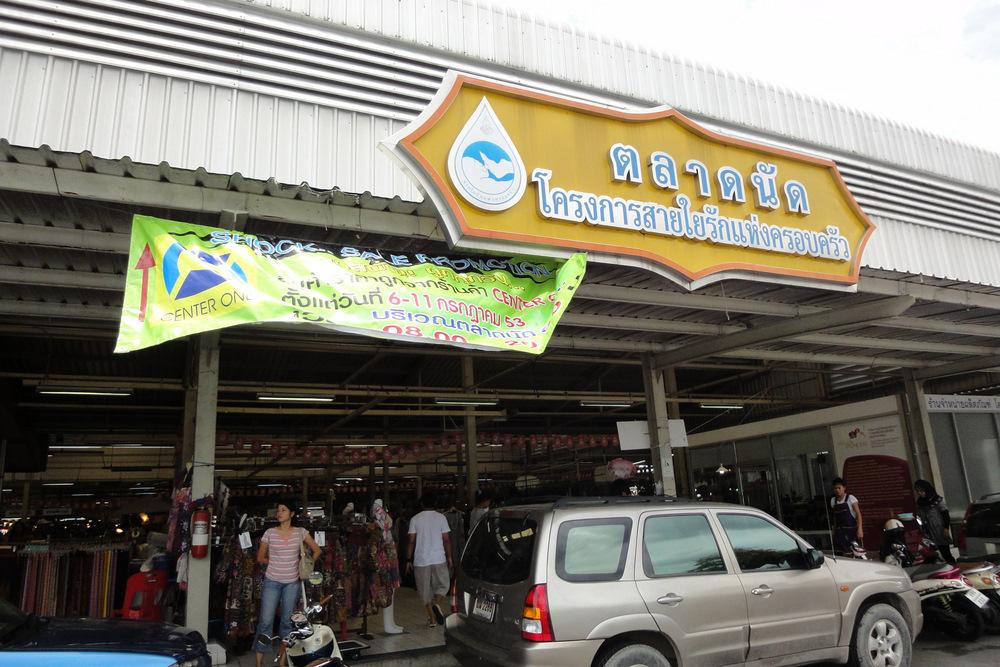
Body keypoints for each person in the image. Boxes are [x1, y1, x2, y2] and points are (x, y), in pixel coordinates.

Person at [253, 500, 322, 667]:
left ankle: (282, 661)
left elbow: (317, 550)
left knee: (286, 623)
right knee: (266, 622)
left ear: (291, 514)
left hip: (292, 583)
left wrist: (306, 565)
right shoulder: (270, 532)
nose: (279, 513)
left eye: (283, 510)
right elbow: (260, 557)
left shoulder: (300, 532)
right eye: (278, 510)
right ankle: (259, 663)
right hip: (272, 581)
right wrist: (276, 562)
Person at [406, 493, 452, 628]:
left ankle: (432, 620)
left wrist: (408, 559)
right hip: (439, 557)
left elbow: (411, 541)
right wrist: (449, 557)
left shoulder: (415, 519)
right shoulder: (441, 517)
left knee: (424, 591)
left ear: (421, 504)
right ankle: (436, 603)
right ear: (435, 504)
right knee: (443, 585)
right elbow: (446, 540)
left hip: (421, 560)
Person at [914, 479, 956, 564]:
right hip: (927, 531)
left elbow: (945, 514)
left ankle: (953, 566)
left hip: (939, 530)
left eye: (921, 491)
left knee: (945, 553)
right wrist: (920, 526)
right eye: (918, 491)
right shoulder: (920, 502)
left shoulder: (937, 500)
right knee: (929, 554)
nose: (919, 493)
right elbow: (919, 516)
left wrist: (946, 528)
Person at [830, 477, 863, 556]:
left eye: (839, 488)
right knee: (841, 554)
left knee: (856, 553)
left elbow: (858, 514)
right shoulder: (833, 500)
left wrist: (860, 529)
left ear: (844, 488)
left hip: (852, 531)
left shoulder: (851, 498)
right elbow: (835, 517)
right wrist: (834, 531)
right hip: (840, 533)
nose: (837, 490)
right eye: (835, 488)